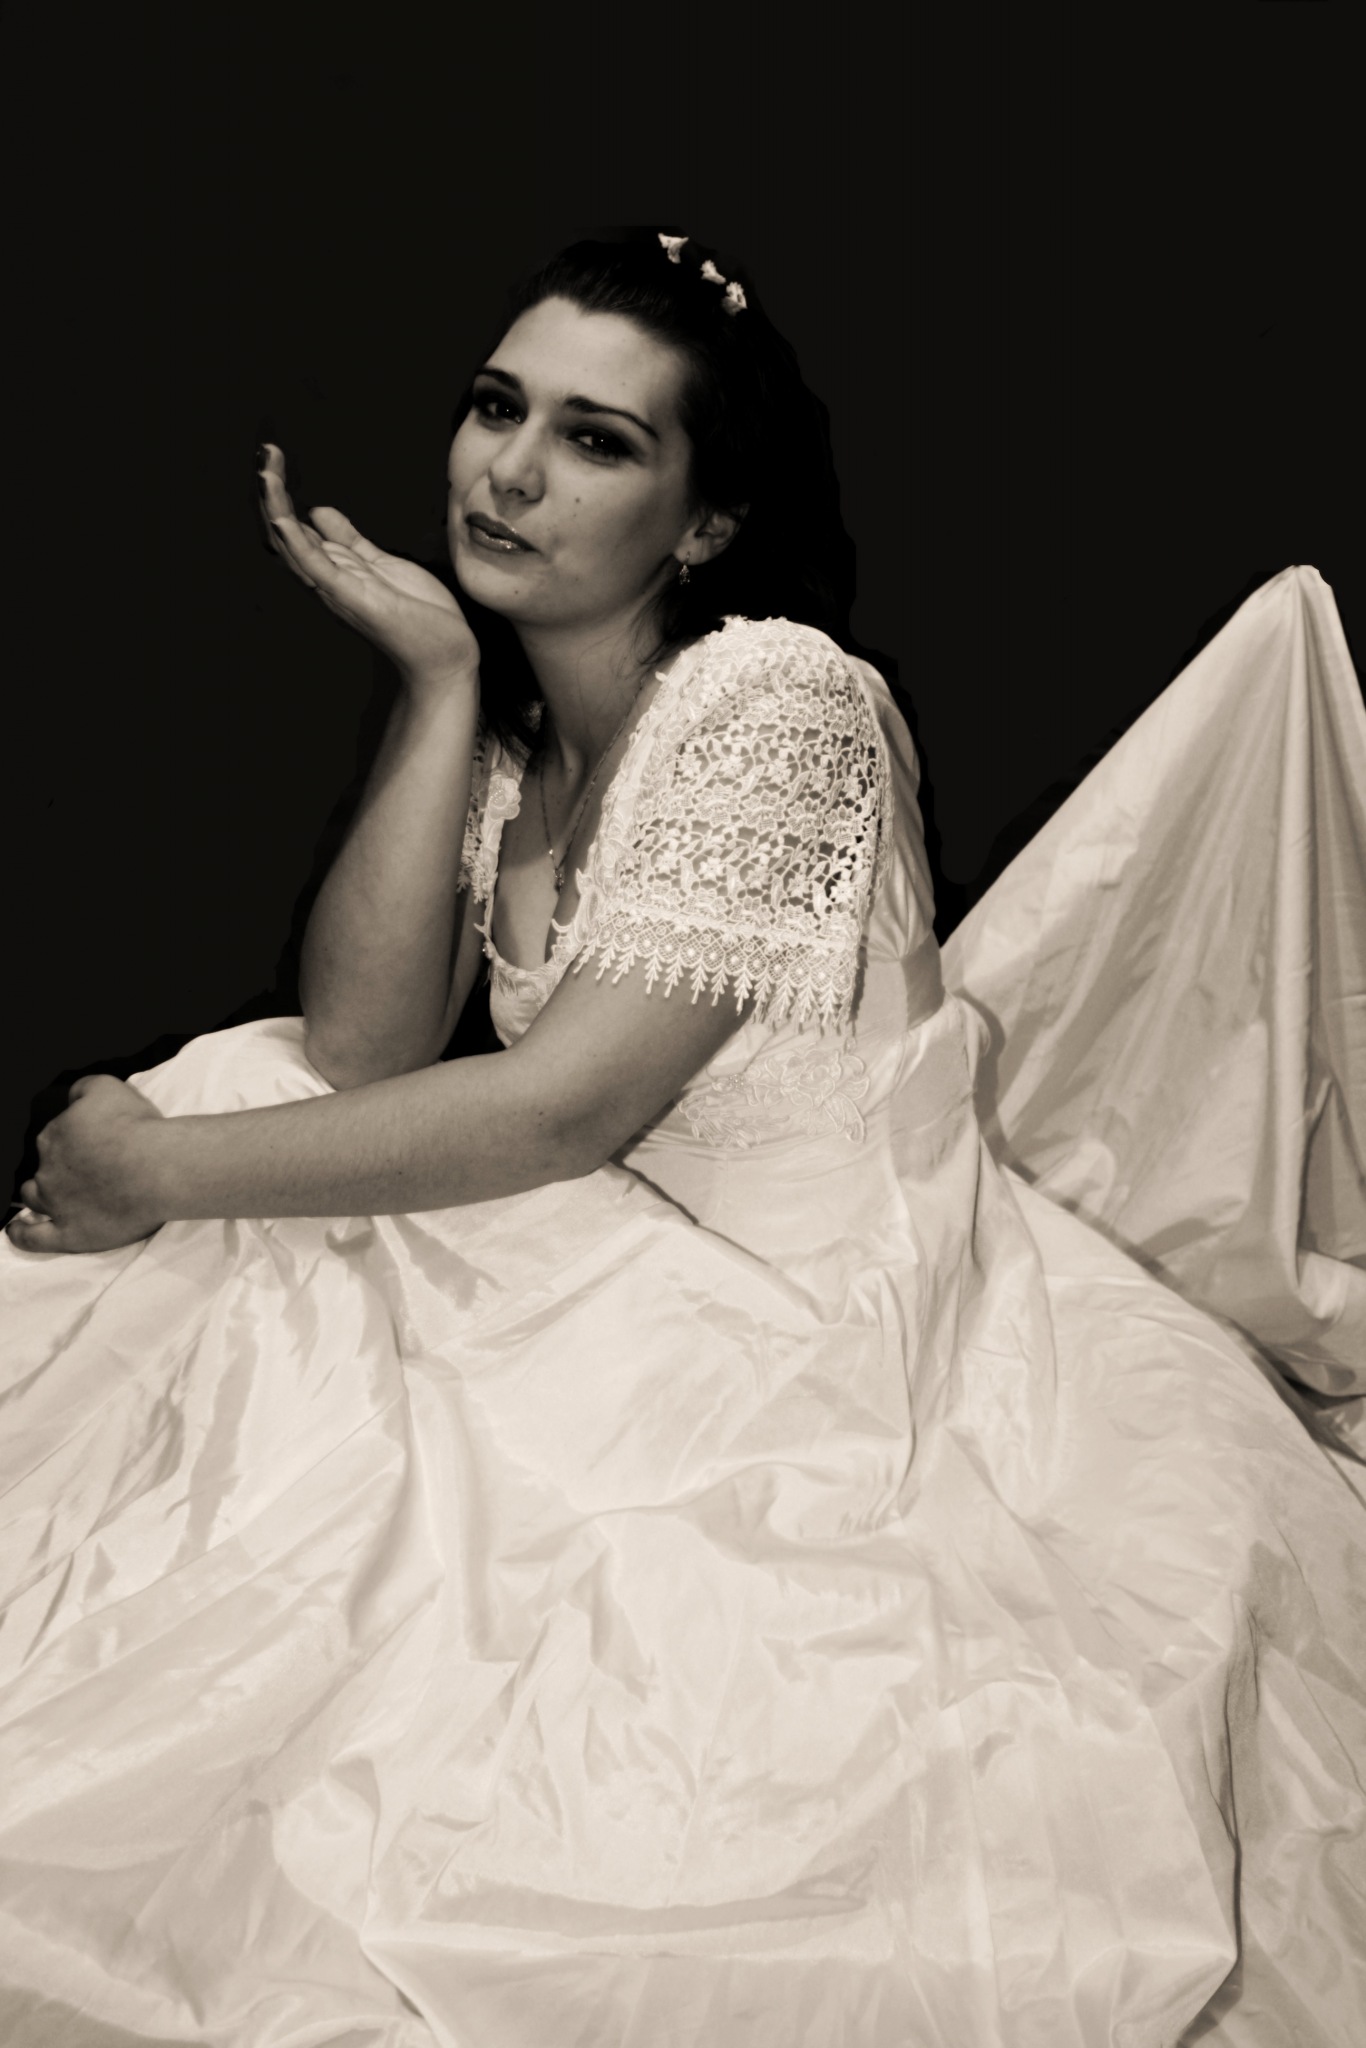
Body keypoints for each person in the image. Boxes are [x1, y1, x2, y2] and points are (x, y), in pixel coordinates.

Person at [1, 229, 1363, 2048]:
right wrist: (436, 687)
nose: (508, 472)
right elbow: (361, 1047)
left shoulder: (774, 700)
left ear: (704, 522)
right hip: (615, 1270)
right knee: (263, 1094)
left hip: (824, 1335)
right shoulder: (524, 740)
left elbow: (570, 1105)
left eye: (596, 440)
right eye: (497, 409)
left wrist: (148, 1174)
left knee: (223, 1159)